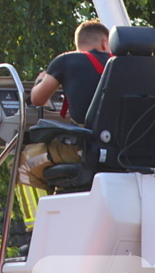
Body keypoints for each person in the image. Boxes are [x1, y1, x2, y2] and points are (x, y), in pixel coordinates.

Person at [17, 20, 111, 229]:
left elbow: (37, 99)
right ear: (105, 43)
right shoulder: (129, 65)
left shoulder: (67, 61)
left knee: (22, 162)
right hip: (128, 151)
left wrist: (41, 80)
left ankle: (36, 230)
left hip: (86, 149)